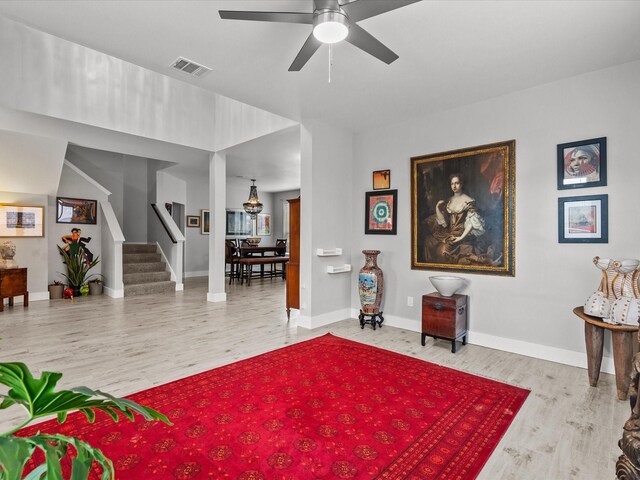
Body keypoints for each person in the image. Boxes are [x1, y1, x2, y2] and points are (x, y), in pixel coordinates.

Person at [425, 173, 494, 265]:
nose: (454, 186)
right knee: (428, 241)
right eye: (452, 183)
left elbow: (471, 223)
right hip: (449, 232)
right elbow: (445, 224)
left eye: (457, 183)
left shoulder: (468, 201)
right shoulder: (449, 200)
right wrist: (438, 208)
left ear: (461, 184)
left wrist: (460, 238)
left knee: (442, 251)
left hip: (461, 233)